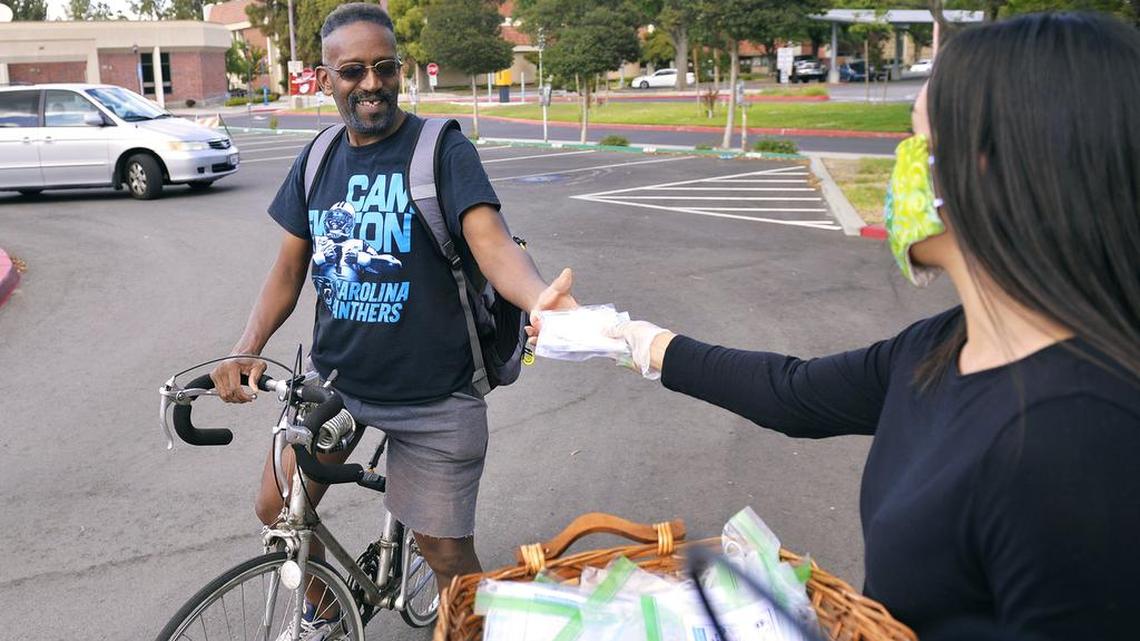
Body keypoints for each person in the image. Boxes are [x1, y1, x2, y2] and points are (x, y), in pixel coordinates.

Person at [607, 12, 1139, 641]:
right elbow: (794, 394)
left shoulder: (1081, 439)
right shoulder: (946, 344)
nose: (900, 168)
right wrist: (622, 338)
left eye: (915, 141)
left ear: (991, 170)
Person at [210, 4, 575, 638]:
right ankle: (326, 616)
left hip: (438, 396)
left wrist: (540, 298)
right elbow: (290, 269)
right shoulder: (319, 157)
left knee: (444, 551)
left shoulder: (443, 151)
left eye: (384, 67)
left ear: (399, 69)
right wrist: (246, 346)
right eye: (353, 70)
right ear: (326, 79)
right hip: (337, 385)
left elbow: (491, 245)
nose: (371, 83)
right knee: (279, 509)